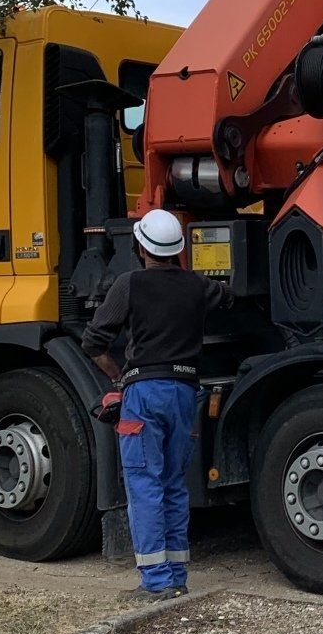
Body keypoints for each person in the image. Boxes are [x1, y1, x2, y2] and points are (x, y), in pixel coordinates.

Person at [82, 207, 231, 600]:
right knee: (173, 484)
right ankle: (177, 574)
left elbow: (93, 342)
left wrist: (117, 376)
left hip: (143, 395)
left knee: (144, 485)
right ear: (180, 248)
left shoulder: (129, 285)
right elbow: (229, 297)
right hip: (185, 394)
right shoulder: (197, 286)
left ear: (139, 247)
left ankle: (156, 582)